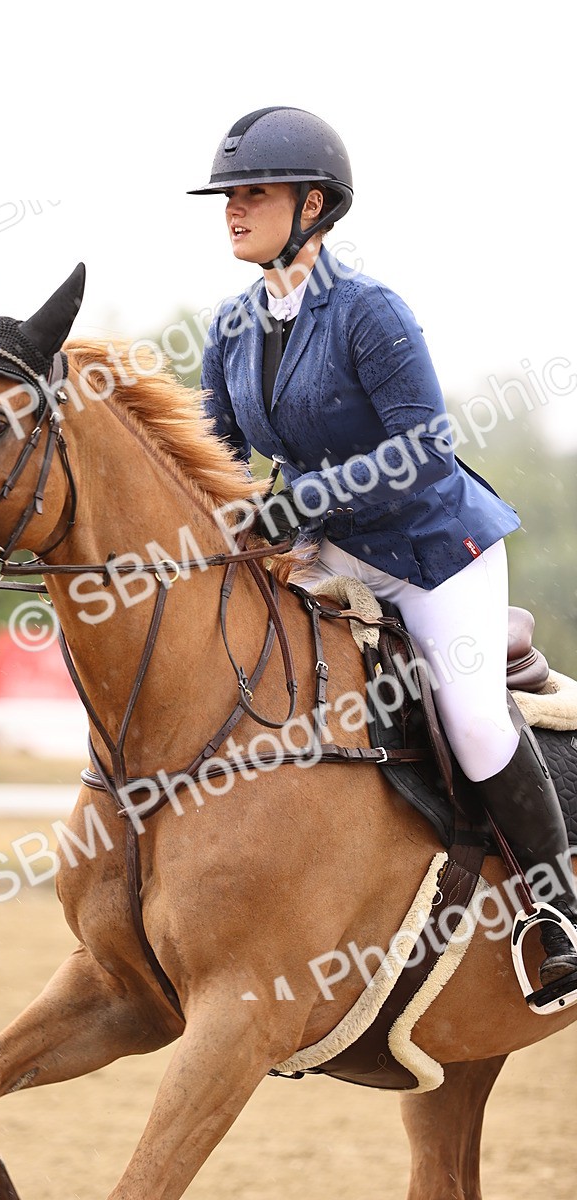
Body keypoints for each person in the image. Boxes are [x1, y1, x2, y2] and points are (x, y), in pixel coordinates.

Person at [189, 105, 577, 997]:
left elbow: (424, 450)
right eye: (228, 195)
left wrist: (298, 505)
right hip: (326, 552)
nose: (232, 209)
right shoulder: (230, 327)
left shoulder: (371, 312)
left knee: (473, 715)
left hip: (435, 552)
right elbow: (212, 461)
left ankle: (558, 913)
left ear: (313, 203)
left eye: (253, 192)